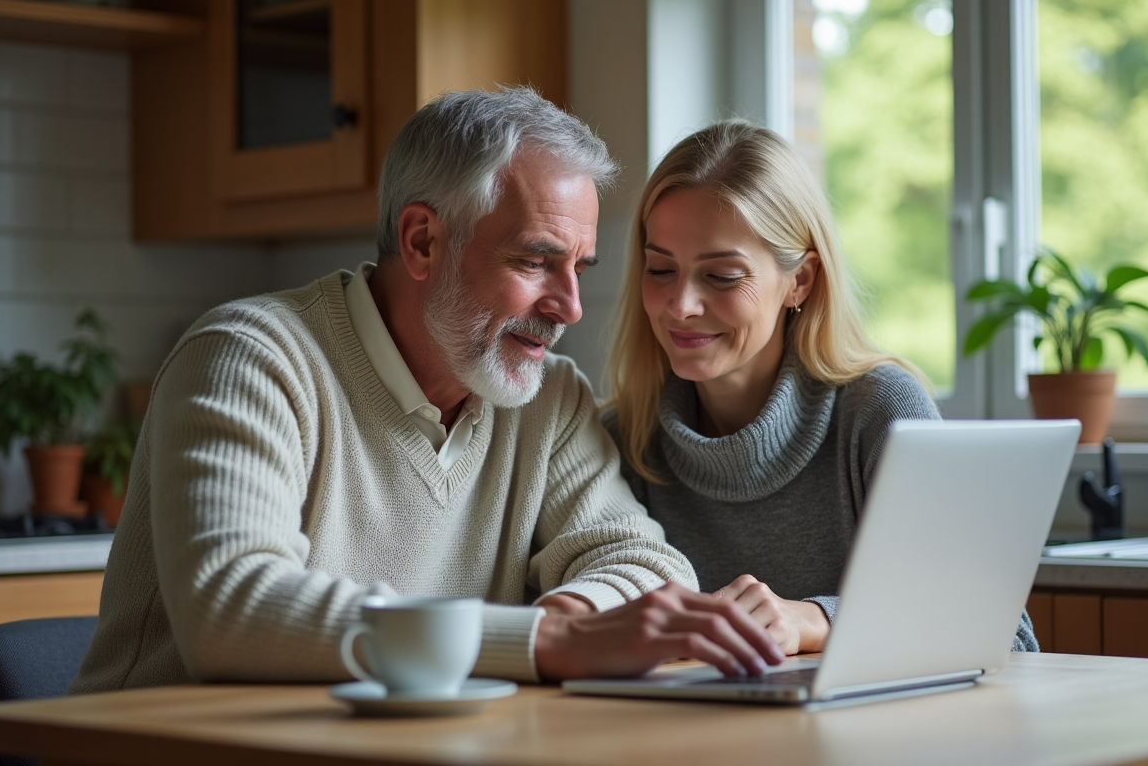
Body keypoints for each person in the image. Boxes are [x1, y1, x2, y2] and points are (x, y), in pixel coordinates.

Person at [71, 89, 784, 694]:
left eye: (578, 267)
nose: (570, 306)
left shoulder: (547, 396)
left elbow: (645, 564)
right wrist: (545, 641)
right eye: (536, 261)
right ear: (420, 242)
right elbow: (234, 609)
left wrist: (576, 618)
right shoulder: (249, 359)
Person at [602, 119, 1038, 655]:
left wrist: (815, 620)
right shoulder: (620, 439)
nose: (682, 305)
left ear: (800, 281)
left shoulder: (880, 411)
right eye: (660, 270)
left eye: (721, 276)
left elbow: (1008, 639)